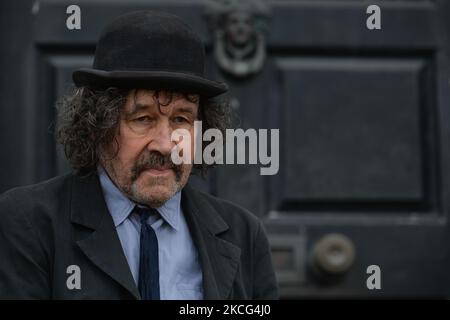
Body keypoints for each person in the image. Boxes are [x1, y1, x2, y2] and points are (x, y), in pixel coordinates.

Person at [0, 10, 278, 300]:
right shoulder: (26, 223)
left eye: (181, 120)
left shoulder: (245, 234)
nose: (165, 145)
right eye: (143, 119)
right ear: (99, 126)